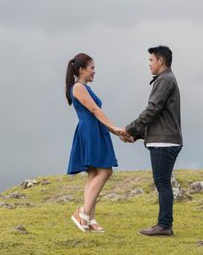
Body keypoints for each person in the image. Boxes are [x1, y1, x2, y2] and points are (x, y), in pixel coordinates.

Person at [121, 45, 183, 236]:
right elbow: (157, 116)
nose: (149, 64)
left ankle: (164, 225)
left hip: (165, 142)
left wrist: (130, 129)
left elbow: (152, 110)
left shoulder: (164, 80)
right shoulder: (165, 80)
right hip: (164, 140)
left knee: (162, 183)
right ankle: (164, 224)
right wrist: (137, 135)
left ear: (160, 61)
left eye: (151, 60)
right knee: (162, 182)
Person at [65, 53, 126, 233]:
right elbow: (94, 109)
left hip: (94, 129)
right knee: (105, 171)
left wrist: (114, 131)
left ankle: (89, 218)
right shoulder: (78, 87)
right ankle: (82, 213)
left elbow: (95, 112)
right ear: (82, 70)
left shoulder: (84, 87)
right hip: (90, 131)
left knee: (93, 174)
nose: (94, 72)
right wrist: (114, 128)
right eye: (92, 68)